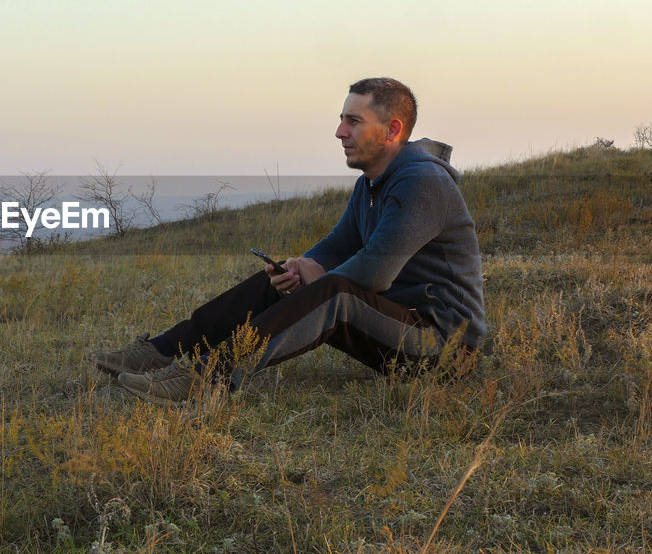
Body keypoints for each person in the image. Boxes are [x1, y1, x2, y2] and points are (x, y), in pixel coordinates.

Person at [87, 77, 485, 404]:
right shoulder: (373, 184)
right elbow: (337, 243)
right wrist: (298, 269)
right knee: (284, 277)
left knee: (336, 292)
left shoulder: (423, 182)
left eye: (353, 121)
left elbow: (376, 272)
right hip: (395, 323)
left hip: (445, 345)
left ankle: (206, 379)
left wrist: (315, 277)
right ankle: (160, 351)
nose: (339, 131)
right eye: (341, 119)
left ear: (392, 129)